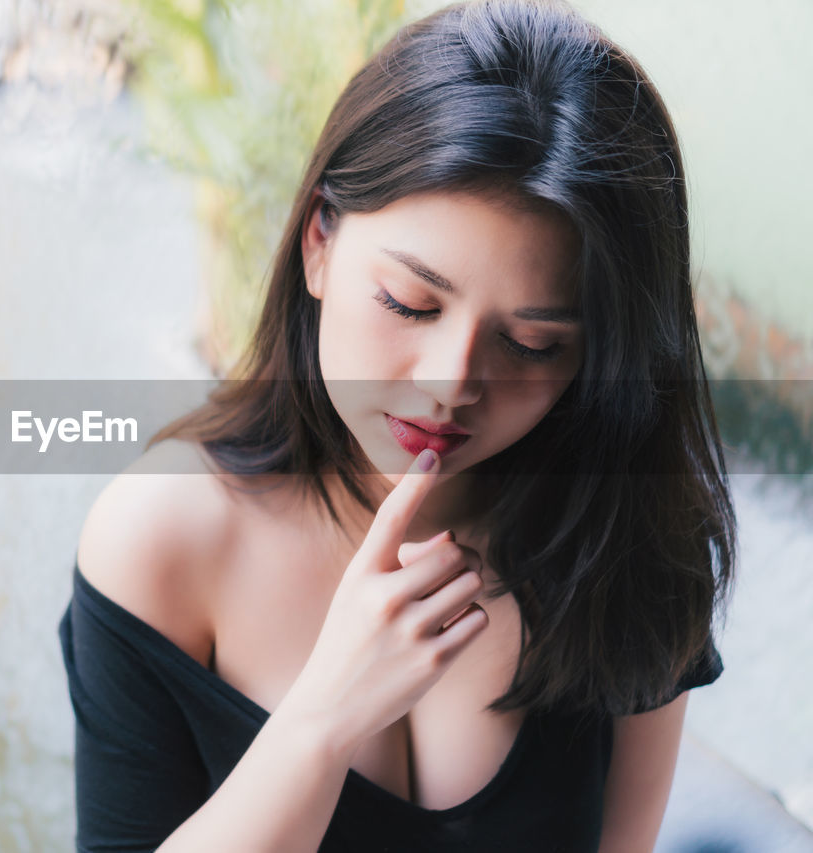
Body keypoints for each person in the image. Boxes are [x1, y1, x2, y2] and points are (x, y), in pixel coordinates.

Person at [57, 0, 736, 850]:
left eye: (531, 344)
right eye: (410, 303)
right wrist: (321, 720)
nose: (451, 384)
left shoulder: (626, 534)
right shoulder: (163, 538)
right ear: (318, 246)